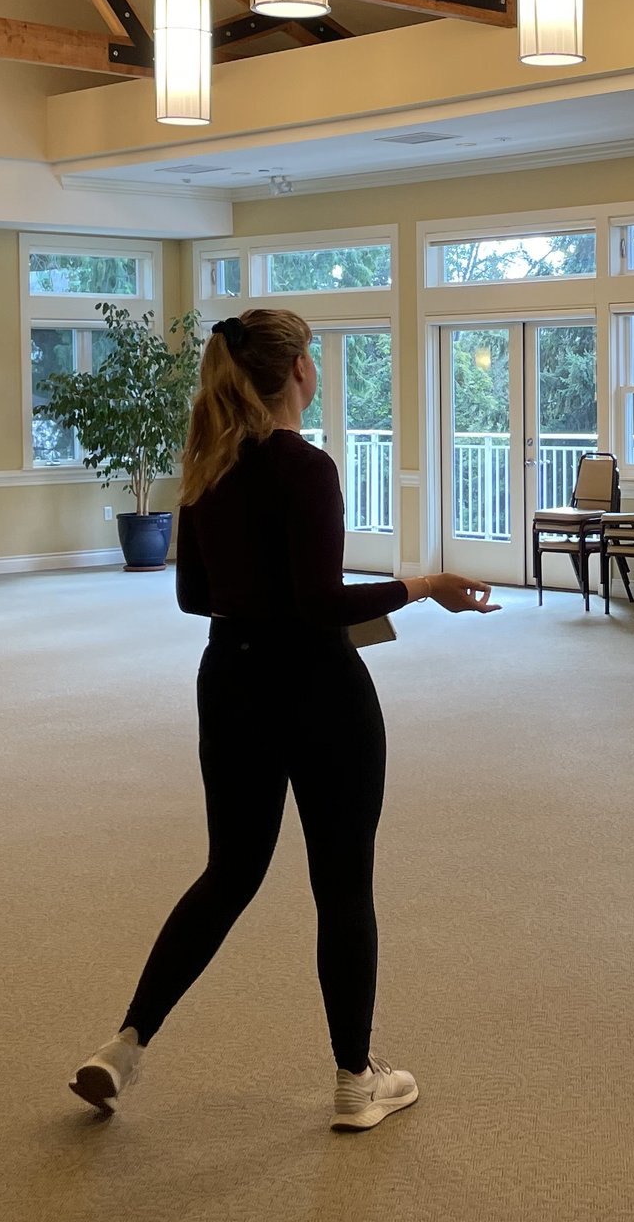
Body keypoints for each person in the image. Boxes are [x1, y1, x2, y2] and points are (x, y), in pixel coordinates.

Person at [72, 309, 496, 1128]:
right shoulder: (305, 466)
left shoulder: (208, 465)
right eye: (313, 354)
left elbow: (196, 596)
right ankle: (353, 1080)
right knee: (342, 883)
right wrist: (423, 585)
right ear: (299, 368)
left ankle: (124, 1043)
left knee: (228, 871)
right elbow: (319, 602)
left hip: (230, 680)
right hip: (318, 689)